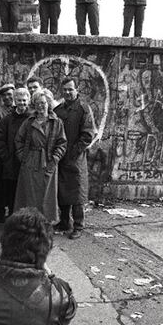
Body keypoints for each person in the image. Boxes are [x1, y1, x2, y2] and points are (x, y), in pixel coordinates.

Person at [14, 89, 67, 223]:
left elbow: (62, 143)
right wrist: (22, 156)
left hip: (48, 161)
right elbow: (18, 140)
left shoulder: (56, 122)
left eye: (43, 103)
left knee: (46, 195)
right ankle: (29, 222)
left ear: (48, 103)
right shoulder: (29, 122)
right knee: (29, 194)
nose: (41, 106)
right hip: (30, 160)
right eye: (37, 103)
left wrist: (55, 159)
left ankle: (45, 222)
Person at [54, 78, 95, 239]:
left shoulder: (84, 109)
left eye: (70, 89)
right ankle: (64, 222)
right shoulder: (58, 110)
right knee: (62, 191)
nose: (67, 92)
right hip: (61, 158)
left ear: (77, 89)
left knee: (78, 193)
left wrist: (73, 151)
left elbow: (88, 135)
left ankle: (78, 225)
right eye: (64, 89)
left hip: (76, 158)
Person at [0, 86, 30, 217]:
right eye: (19, 100)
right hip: (10, 162)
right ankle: (11, 218)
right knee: (10, 191)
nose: (22, 103)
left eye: (24, 100)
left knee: (25, 191)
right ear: (15, 101)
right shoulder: (7, 120)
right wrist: (6, 157)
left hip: (26, 162)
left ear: (28, 101)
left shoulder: (32, 118)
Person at [0, 83, 15, 222]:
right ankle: (0, 212)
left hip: (15, 153)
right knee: (1, 184)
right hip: (3, 153)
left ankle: (12, 211)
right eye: (4, 95)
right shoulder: (0, 111)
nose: (7, 97)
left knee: (13, 185)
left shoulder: (19, 108)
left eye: (9, 94)